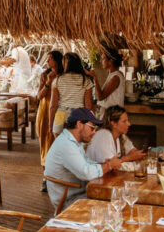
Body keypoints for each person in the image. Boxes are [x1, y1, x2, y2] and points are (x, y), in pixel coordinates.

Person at [44, 108, 121, 212]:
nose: (94, 132)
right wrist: (109, 165)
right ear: (79, 124)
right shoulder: (67, 145)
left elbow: (86, 164)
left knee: (117, 199)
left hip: (79, 193)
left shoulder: (73, 142)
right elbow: (86, 173)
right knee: (114, 205)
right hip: (70, 200)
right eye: (92, 128)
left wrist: (104, 164)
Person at [36, 51, 64, 188]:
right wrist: (47, 83)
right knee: (44, 144)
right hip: (44, 112)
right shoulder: (44, 75)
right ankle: (45, 178)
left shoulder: (63, 76)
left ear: (57, 61)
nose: (47, 61)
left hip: (59, 112)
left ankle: (57, 177)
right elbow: (39, 96)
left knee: (56, 144)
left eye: (50, 59)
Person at [49, 52, 94, 135]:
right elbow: (89, 106)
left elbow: (53, 106)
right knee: (76, 146)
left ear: (64, 64)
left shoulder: (58, 80)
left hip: (60, 115)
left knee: (60, 146)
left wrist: (51, 125)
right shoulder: (86, 80)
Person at [86, 47, 125, 115]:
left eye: (103, 59)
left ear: (110, 61)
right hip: (110, 112)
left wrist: (95, 78)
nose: (101, 61)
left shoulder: (116, 77)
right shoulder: (113, 74)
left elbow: (100, 97)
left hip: (112, 114)